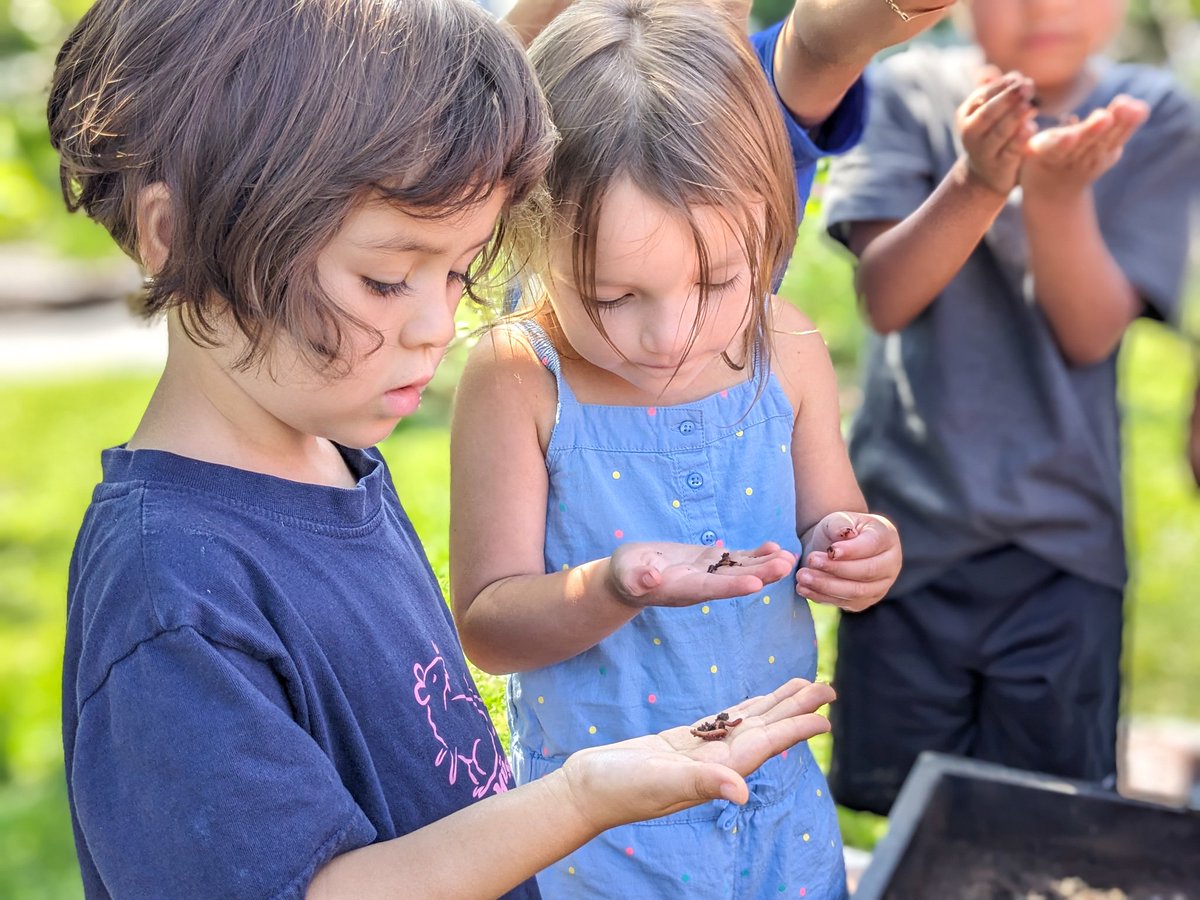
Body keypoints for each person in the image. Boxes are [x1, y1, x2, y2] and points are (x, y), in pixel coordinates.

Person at [52, 1, 843, 897]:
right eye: (387, 279)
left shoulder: (324, 463)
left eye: (460, 272)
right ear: (177, 237)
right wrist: (578, 799)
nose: (438, 327)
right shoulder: (172, 599)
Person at [449, 0, 951, 895]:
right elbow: (489, 626)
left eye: (717, 279)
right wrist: (613, 585)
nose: (668, 333)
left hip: (774, 807)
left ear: (771, 219)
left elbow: (834, 516)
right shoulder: (520, 378)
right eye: (612, 296)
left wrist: (861, 548)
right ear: (530, 233)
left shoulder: (784, 349)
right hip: (600, 829)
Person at [821, 0, 1200, 816]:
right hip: (904, 539)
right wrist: (981, 181)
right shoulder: (901, 90)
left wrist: (1058, 196)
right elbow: (885, 298)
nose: (1045, 7)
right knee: (903, 811)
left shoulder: (1154, 115)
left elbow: (1090, 333)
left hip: (1065, 548)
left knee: (1048, 820)